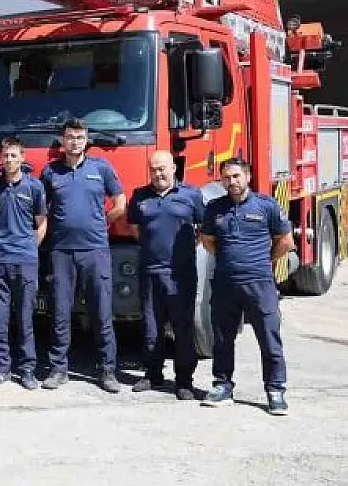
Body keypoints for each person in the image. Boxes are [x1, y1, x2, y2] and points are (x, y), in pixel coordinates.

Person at [199, 158, 293, 415]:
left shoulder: (266, 206)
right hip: (225, 285)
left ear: (247, 177)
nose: (232, 182)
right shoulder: (215, 208)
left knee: (269, 338)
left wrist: (264, 261)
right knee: (222, 339)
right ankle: (222, 386)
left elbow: (285, 241)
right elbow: (208, 240)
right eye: (227, 177)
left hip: (259, 285)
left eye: (237, 176)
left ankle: (275, 391)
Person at [39, 119, 127, 393]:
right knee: (60, 313)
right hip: (61, 252)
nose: (74, 142)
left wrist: (103, 221)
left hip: (95, 250)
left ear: (86, 139)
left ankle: (107, 371)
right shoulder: (50, 172)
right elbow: (41, 209)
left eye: (79, 137)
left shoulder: (101, 167)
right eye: (69, 137)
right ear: (62, 141)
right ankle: (58, 369)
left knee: (101, 313)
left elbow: (120, 203)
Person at [126, 151, 204, 400]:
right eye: (154, 169)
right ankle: (152, 374)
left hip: (180, 274)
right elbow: (136, 228)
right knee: (151, 327)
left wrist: (184, 251)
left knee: (182, 327)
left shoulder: (190, 195)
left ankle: (184, 381)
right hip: (150, 271)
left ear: (174, 168)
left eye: (163, 168)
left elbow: (203, 229)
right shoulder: (140, 196)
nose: (158, 173)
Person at [0, 136, 48, 389]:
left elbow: (41, 224)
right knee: (0, 318)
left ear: (22, 158)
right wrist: (1, 245)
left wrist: (30, 248)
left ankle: (28, 369)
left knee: (25, 318)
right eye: (5, 155)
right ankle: (1, 368)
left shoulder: (34, 187)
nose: (8, 160)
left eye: (13, 156)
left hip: (26, 261)